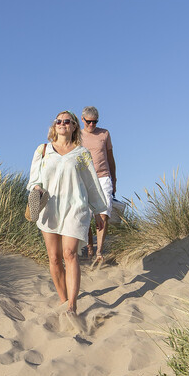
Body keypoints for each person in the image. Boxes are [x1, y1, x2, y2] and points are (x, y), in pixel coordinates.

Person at [28, 111, 109, 314]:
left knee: (69, 253)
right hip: (49, 208)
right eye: (59, 121)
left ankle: (72, 305)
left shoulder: (81, 153)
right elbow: (34, 179)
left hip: (75, 207)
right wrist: (37, 189)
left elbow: (91, 184)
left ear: (74, 126)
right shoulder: (43, 150)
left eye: (67, 121)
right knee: (54, 257)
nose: (62, 123)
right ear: (54, 126)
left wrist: (99, 210)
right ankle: (63, 300)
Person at [79, 106, 116, 262]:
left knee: (103, 214)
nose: (92, 125)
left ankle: (99, 252)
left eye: (95, 122)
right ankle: (89, 247)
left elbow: (110, 158)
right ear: (83, 120)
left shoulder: (104, 134)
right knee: (86, 215)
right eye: (89, 122)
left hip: (103, 177)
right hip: (84, 178)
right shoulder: (77, 135)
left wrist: (114, 179)